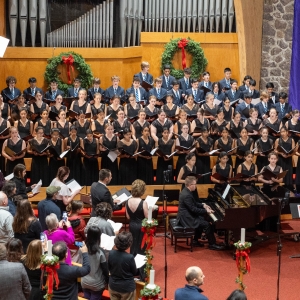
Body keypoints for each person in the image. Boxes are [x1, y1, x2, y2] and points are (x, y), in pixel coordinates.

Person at [177, 176, 224, 250]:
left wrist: (203, 205)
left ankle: (195, 240)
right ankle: (212, 244)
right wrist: (206, 211)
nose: (196, 186)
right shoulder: (187, 195)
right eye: (195, 184)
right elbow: (193, 209)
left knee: (202, 219)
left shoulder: (187, 191)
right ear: (190, 185)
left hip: (187, 215)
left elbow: (194, 203)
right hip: (187, 218)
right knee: (207, 224)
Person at [125, 180, 148, 279]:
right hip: (141, 227)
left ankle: (133, 270)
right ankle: (142, 273)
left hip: (132, 226)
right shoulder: (143, 203)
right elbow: (147, 218)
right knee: (141, 248)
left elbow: (128, 217)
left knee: (133, 247)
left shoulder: (128, 201)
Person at [81, 226, 109, 300]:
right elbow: (105, 269)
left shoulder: (82, 249)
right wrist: (107, 281)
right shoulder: (100, 252)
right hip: (97, 284)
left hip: (84, 281)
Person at [108, 232, 137, 300]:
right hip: (127, 288)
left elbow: (109, 267)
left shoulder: (111, 253)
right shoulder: (129, 257)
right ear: (129, 244)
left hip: (113, 285)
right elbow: (134, 272)